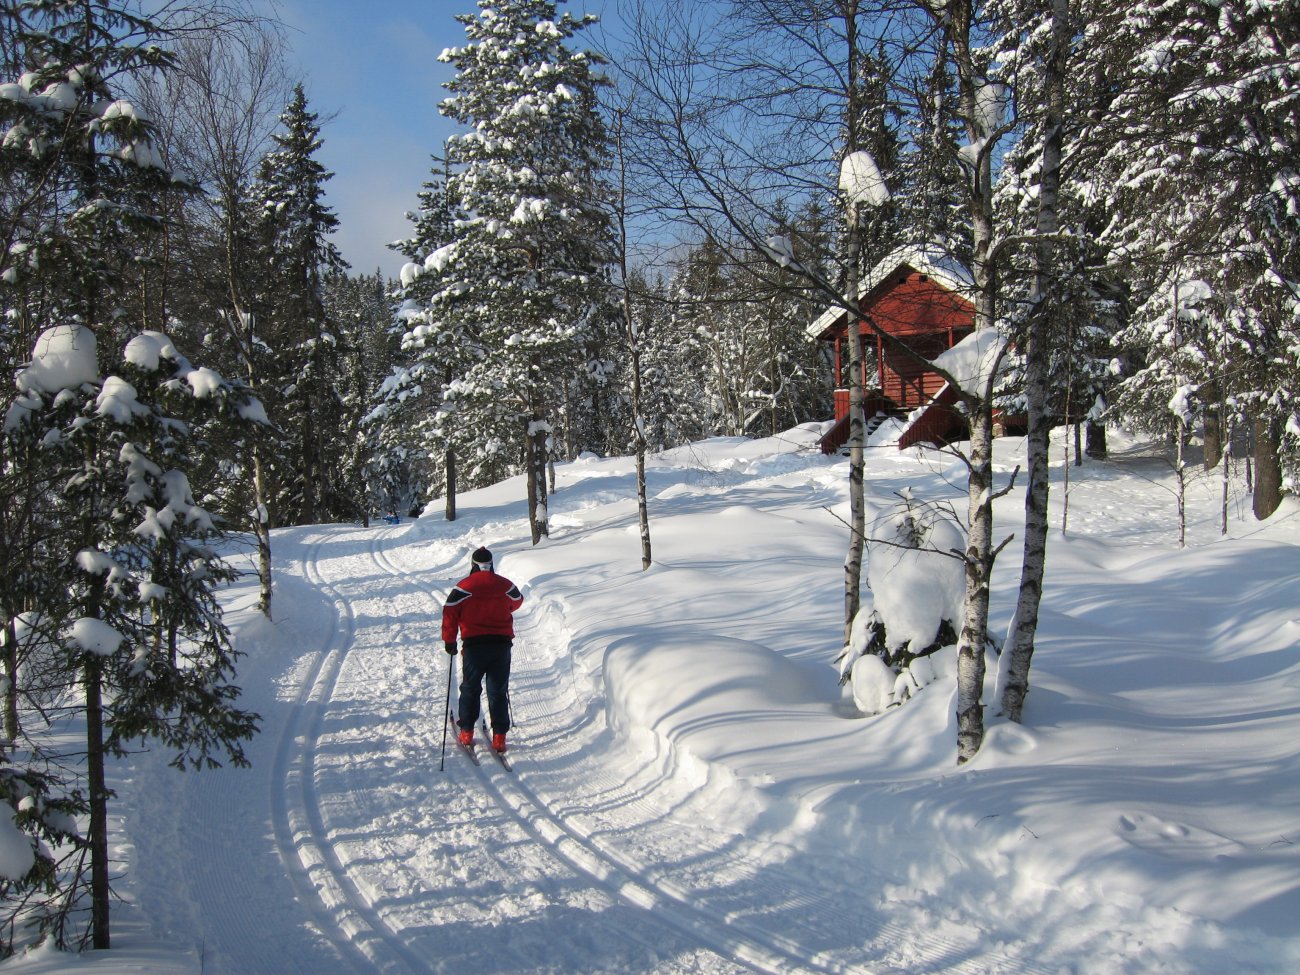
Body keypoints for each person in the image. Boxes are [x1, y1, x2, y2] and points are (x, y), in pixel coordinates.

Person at [442, 546, 523, 753]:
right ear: (491, 563)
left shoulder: (463, 587)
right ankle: (499, 737)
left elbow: (450, 611)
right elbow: (517, 601)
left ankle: (467, 731)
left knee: (471, 688)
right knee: (497, 690)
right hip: (501, 645)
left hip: (474, 646)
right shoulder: (505, 585)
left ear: (473, 565)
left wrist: (449, 640)